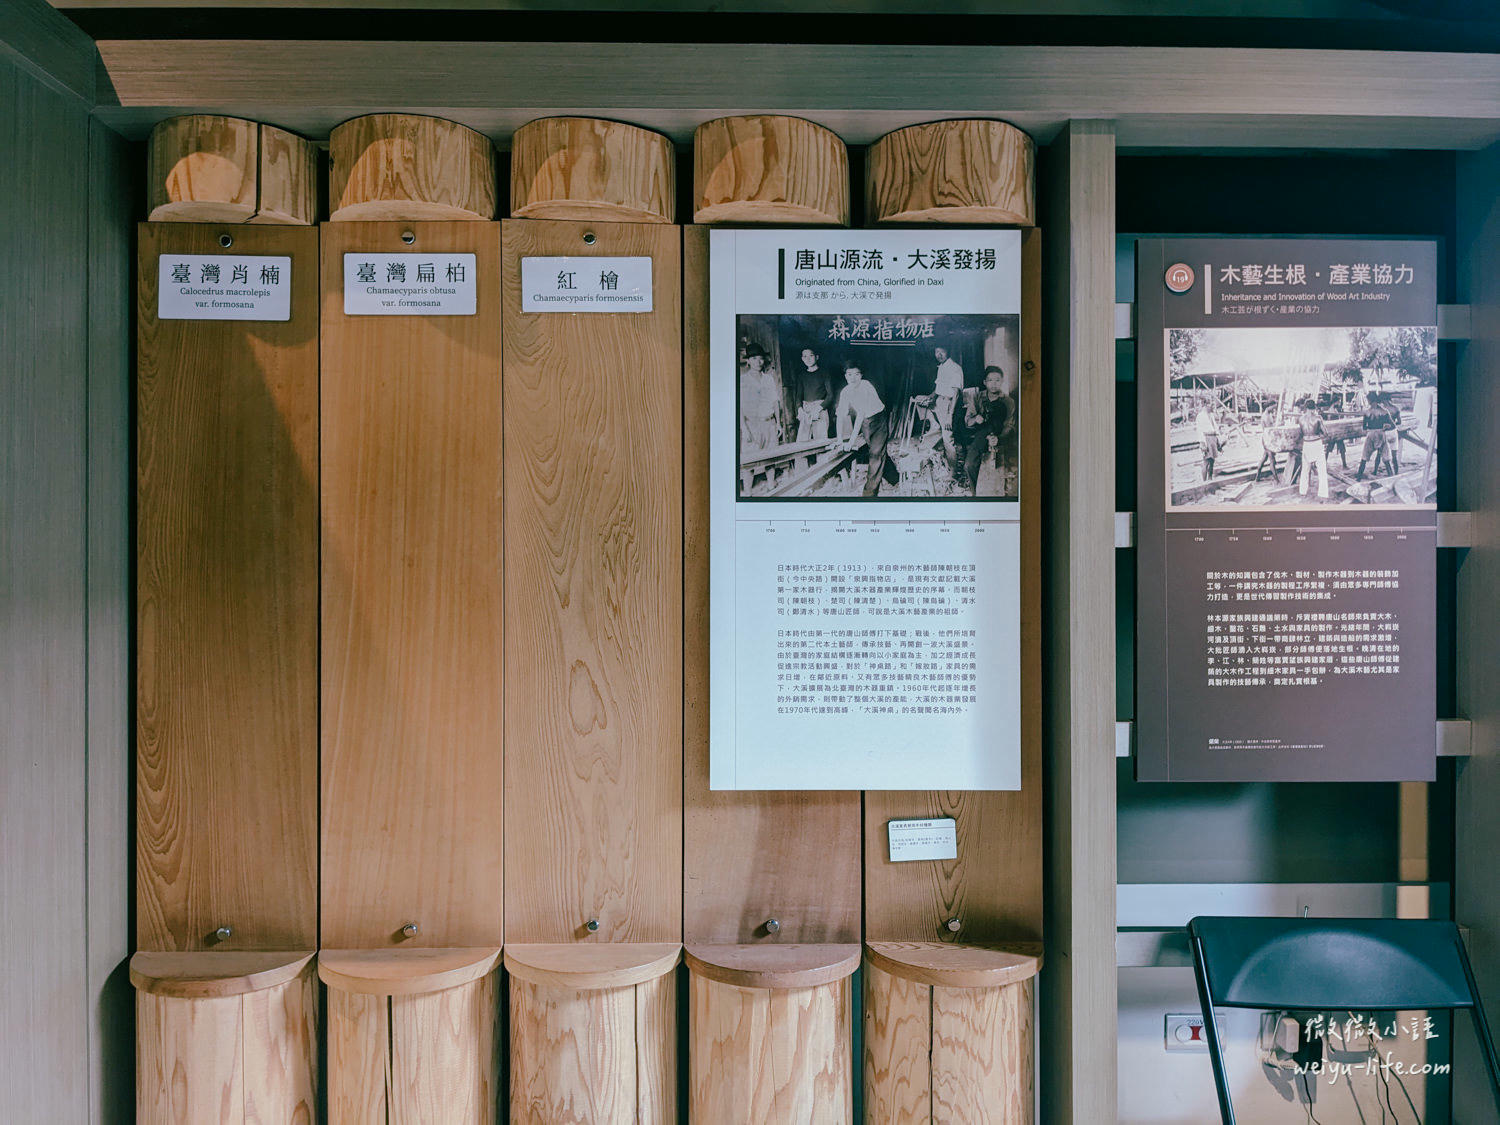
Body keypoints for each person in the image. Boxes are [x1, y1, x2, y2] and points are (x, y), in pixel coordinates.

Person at [835, 362, 899, 496]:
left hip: (878, 419)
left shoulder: (866, 386)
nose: (853, 378)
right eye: (849, 374)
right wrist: (840, 440)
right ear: (845, 376)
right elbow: (841, 415)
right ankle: (895, 478)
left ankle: (868, 495)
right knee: (877, 452)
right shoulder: (845, 392)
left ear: (861, 375)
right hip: (865, 422)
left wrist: (851, 442)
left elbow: (860, 414)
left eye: (856, 374)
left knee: (875, 454)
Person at [961, 365, 1017, 496]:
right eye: (990, 380)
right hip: (980, 435)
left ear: (1002, 381)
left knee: (1005, 471)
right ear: (984, 382)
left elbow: (1010, 426)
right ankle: (975, 494)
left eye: (997, 380)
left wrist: (999, 438)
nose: (994, 384)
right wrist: (976, 419)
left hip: (1001, 437)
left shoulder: (1009, 401)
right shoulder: (976, 397)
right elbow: (967, 422)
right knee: (969, 465)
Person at [912, 345, 964, 470]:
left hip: (949, 405)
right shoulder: (942, 367)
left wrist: (949, 417)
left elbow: (956, 394)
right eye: (936, 352)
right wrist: (929, 398)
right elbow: (938, 389)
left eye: (942, 351)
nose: (939, 355)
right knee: (919, 400)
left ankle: (953, 472)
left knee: (947, 439)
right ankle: (934, 426)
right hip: (939, 402)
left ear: (948, 351)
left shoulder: (955, 368)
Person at [739, 343, 782, 453]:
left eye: (761, 359)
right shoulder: (742, 380)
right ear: (748, 361)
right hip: (752, 426)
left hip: (769, 424)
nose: (758, 362)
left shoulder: (768, 379)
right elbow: (739, 407)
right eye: (754, 358)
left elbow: (775, 402)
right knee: (752, 462)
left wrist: (778, 424)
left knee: (771, 462)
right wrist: (744, 428)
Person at [793, 346, 834, 442]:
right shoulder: (801, 375)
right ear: (802, 359)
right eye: (805, 356)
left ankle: (822, 457)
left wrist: (818, 409)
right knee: (802, 442)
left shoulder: (824, 373)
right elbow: (798, 396)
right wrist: (800, 410)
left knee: (821, 442)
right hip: (805, 410)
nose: (808, 359)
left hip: (820, 409)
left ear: (817, 357)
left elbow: (830, 395)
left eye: (811, 356)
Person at [1296, 395, 1330, 500]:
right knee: (1322, 470)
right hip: (1316, 443)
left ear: (1305, 407)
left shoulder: (1300, 419)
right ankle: (1323, 493)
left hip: (1306, 444)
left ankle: (1302, 491)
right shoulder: (1318, 418)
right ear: (1314, 407)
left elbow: (1301, 434)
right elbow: (1325, 433)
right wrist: (1318, 434)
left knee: (1305, 469)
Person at [1356, 391, 1389, 479]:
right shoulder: (1384, 411)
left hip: (1371, 434)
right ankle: (1391, 476)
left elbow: (1364, 427)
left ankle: (1358, 478)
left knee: (1364, 457)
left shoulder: (1367, 412)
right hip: (1381, 433)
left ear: (1370, 400)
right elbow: (1391, 425)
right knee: (1386, 458)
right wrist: (1384, 427)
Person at [1195, 402, 1221, 479]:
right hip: (1206, 439)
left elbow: (1215, 427)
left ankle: (1210, 478)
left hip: (1213, 438)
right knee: (1206, 461)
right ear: (1206, 405)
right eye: (1211, 405)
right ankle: (1204, 481)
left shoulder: (1211, 415)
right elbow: (1199, 430)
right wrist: (1202, 443)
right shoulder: (1200, 416)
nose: (1213, 407)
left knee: (1212, 461)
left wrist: (1218, 438)